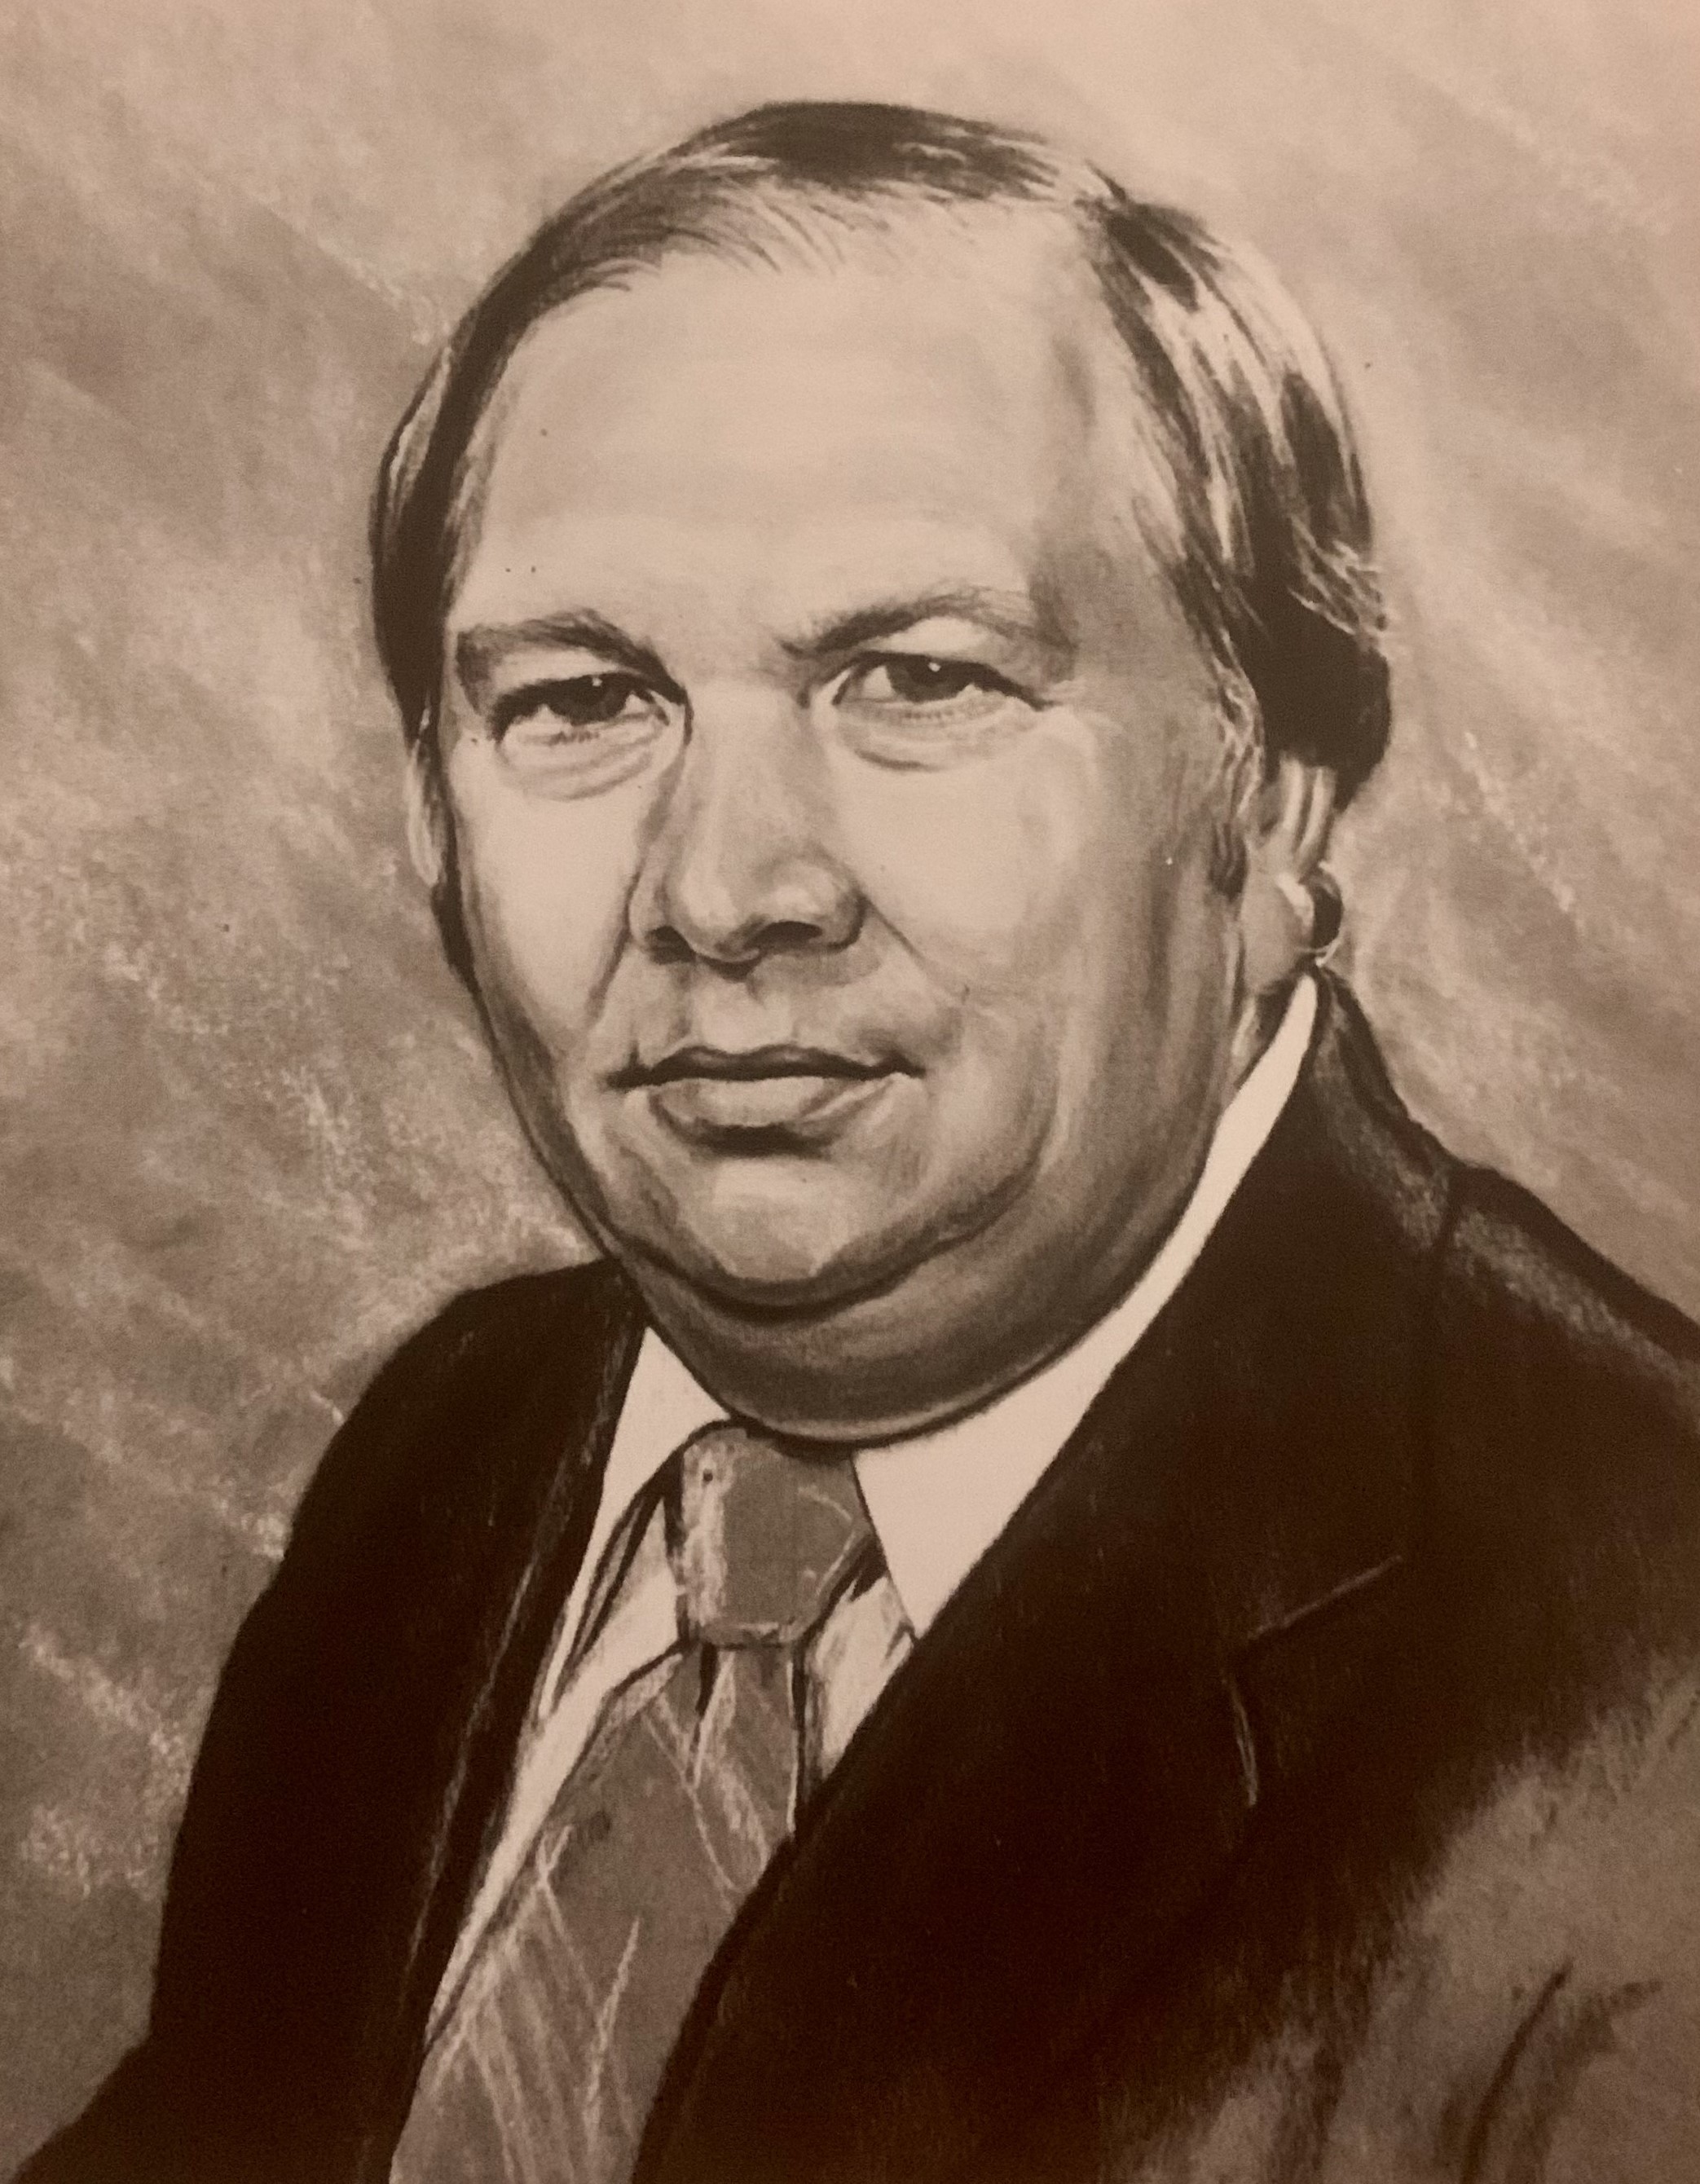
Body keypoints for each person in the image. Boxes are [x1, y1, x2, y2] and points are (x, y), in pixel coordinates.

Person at [20, 100, 1700, 2184]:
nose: (727, 890)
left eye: (914, 678)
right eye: (580, 699)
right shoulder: (451, 1455)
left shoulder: (1646, 1671)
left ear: (1265, 802)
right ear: (430, 817)